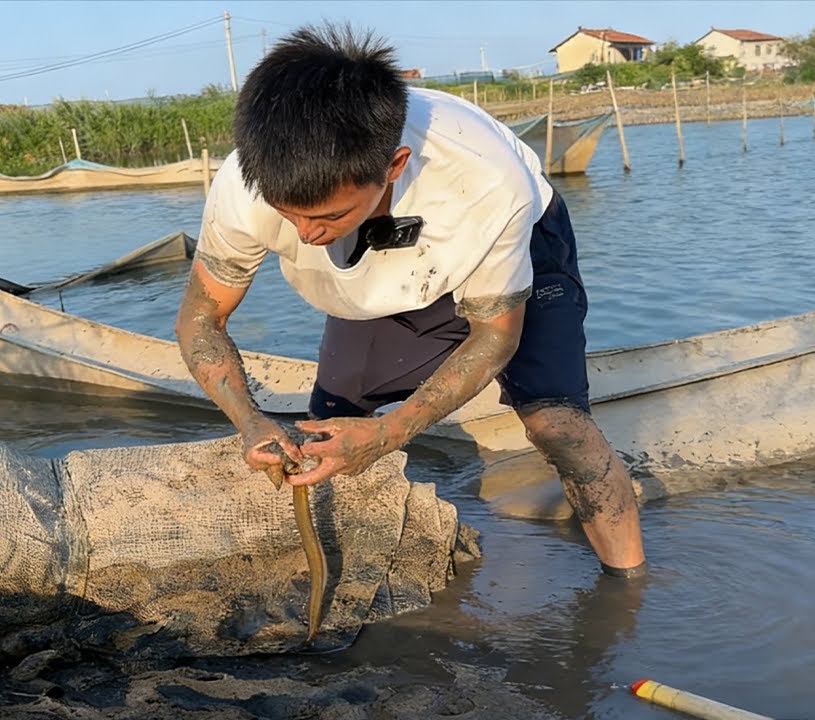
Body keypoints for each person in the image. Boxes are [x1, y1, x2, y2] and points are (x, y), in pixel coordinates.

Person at [174, 23, 646, 578]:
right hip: (382, 266)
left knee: (556, 426)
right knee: (328, 424)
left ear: (392, 167)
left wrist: (392, 433)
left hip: (504, 246)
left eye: (326, 217)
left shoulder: (487, 183)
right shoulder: (242, 187)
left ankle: (627, 588)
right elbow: (201, 320)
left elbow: (496, 334)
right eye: (289, 214)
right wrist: (250, 422)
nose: (305, 236)